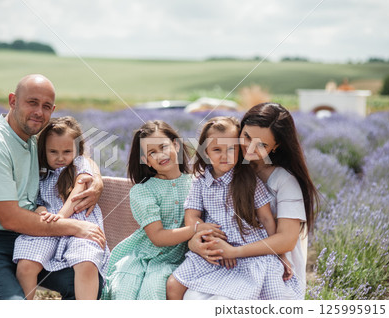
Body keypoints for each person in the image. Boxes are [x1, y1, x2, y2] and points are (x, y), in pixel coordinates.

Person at [0, 74, 104, 300]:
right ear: (13, 101)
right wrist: (74, 227)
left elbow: (74, 153)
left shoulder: (33, 142)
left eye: (46, 106)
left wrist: (95, 176)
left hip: (22, 237)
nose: (39, 112)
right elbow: (10, 219)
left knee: (84, 282)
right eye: (32, 103)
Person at [188, 103, 319, 299]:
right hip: (223, 260)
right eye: (247, 136)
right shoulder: (221, 170)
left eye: (261, 145)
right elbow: (199, 216)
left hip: (270, 263)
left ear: (276, 146)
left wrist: (234, 252)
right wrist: (195, 243)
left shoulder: (284, 181)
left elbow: (286, 239)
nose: (249, 148)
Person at [166, 116, 300, 300]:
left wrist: (280, 254)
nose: (225, 155)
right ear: (206, 152)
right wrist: (208, 236)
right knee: (173, 285)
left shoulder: (249, 179)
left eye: (232, 149)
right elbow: (192, 217)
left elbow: (267, 218)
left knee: (247, 293)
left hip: (249, 250)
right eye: (217, 149)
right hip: (214, 248)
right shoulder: (200, 182)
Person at [102, 120, 223, 300]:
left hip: (177, 258)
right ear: (146, 160)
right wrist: (196, 228)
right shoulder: (142, 191)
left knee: (154, 290)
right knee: (123, 291)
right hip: (141, 256)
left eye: (163, 147)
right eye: (152, 152)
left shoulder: (197, 183)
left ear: (175, 145)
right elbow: (157, 237)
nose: (160, 155)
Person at [13, 116, 110, 300]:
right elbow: (37, 201)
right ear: (44, 150)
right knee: (26, 265)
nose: (60, 157)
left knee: (87, 261)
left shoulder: (80, 164)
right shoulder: (40, 172)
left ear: (77, 149)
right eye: (53, 152)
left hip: (80, 225)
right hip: (49, 225)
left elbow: (79, 190)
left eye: (67, 151)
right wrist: (41, 212)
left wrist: (60, 217)